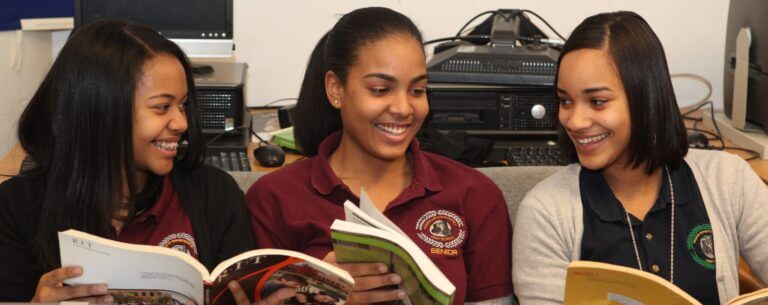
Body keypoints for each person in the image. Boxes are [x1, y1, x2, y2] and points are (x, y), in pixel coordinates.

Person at [246, 7, 513, 305]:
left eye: (417, 90)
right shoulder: (274, 199)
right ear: (336, 88)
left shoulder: (474, 194)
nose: (403, 108)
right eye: (380, 89)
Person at [0, 20, 277, 305]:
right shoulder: (17, 208)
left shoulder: (215, 195)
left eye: (182, 105)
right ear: (101, 111)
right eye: (161, 107)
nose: (181, 122)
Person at [512, 11, 768, 304]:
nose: (574, 121)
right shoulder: (545, 212)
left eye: (597, 102)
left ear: (645, 97)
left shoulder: (729, 180)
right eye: (565, 100)